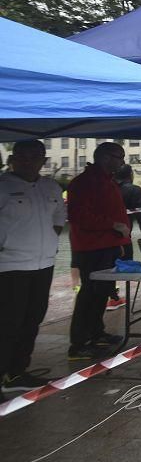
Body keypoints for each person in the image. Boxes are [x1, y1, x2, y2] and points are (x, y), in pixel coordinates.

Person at [0, 140, 66, 394]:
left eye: (35, 157)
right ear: (13, 158)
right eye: (23, 157)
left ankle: (17, 372)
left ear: (43, 161)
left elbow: (59, 215)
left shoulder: (50, 186)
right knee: (7, 323)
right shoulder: (4, 187)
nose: (29, 162)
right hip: (10, 266)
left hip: (44, 263)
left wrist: (51, 237)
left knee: (32, 319)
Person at [67, 142, 128, 360]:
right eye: (119, 156)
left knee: (101, 292)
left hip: (108, 245)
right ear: (105, 158)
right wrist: (112, 225)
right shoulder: (84, 183)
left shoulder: (107, 181)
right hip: (91, 247)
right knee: (89, 293)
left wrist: (118, 240)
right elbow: (79, 216)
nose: (122, 161)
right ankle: (79, 343)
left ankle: (96, 332)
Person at [108, 164, 141, 311]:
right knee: (125, 267)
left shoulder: (106, 187)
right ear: (130, 175)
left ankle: (112, 297)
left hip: (100, 236)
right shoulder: (133, 190)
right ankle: (116, 298)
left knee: (105, 269)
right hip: (121, 236)